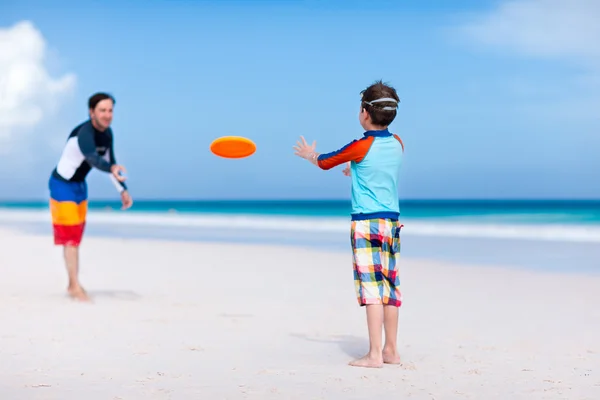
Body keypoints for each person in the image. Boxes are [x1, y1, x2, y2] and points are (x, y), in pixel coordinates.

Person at [293, 80, 405, 368]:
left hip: (366, 224)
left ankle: (374, 355)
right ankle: (391, 350)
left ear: (364, 113)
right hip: (391, 223)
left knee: (371, 289)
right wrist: (354, 169)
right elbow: (377, 171)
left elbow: (325, 161)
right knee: (390, 288)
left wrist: (309, 155)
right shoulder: (397, 143)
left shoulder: (361, 145)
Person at [48, 92, 133, 302]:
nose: (107, 115)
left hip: (79, 186)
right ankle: (74, 286)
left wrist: (122, 189)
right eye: (102, 110)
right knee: (70, 238)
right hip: (62, 185)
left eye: (110, 110)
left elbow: (110, 161)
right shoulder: (83, 134)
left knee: (76, 237)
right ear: (91, 112)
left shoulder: (107, 134)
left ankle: (72, 284)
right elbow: (94, 159)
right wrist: (112, 168)